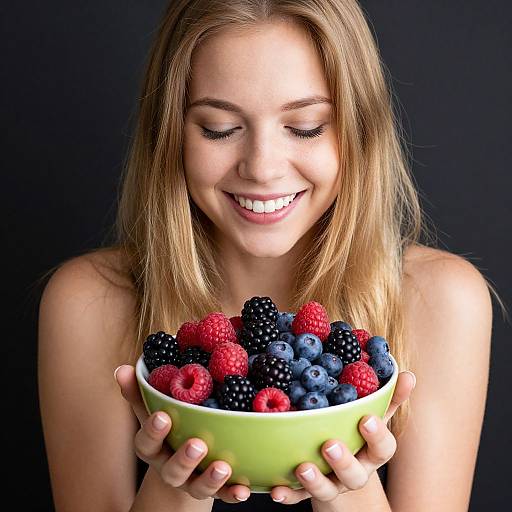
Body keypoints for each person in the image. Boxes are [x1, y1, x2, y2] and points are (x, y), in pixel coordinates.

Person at [37, 1, 494, 510]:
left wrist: (349, 485)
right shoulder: (89, 303)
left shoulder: (443, 301)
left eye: (305, 127)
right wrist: (174, 483)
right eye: (219, 128)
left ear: (360, 132)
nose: (262, 168)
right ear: (171, 137)